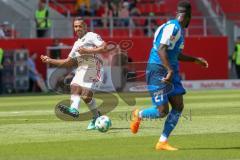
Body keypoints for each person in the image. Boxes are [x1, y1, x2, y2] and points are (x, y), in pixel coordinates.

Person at [130, 1, 208, 151]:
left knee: (178, 105)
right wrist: (169, 70)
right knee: (162, 111)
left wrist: (194, 60)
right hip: (158, 70)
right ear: (188, 16)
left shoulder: (174, 28)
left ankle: (162, 142)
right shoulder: (173, 28)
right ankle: (138, 114)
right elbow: (161, 49)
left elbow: (175, 53)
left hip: (170, 69)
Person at [40, 17, 107, 130]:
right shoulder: (76, 44)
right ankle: (74, 110)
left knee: (86, 95)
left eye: (80, 26)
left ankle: (96, 116)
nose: (77, 28)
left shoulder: (91, 36)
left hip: (94, 67)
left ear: (85, 27)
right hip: (82, 68)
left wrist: (87, 51)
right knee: (74, 86)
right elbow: (68, 62)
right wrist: (49, 60)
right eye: (75, 26)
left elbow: (104, 47)